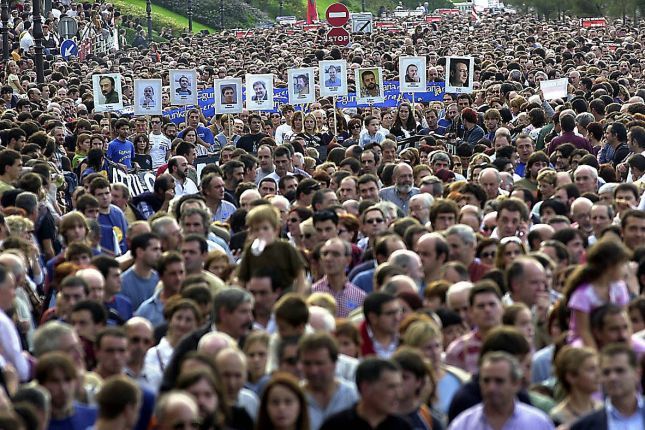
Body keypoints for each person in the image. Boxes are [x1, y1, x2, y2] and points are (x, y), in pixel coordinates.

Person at [448, 351, 554, 430]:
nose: (491, 388)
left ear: (516, 384)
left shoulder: (538, 424)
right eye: (486, 381)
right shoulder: (463, 425)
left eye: (499, 381)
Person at [564, 238, 631, 347]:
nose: (625, 270)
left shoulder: (620, 287)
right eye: (622, 265)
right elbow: (584, 331)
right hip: (584, 341)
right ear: (609, 267)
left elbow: (625, 320)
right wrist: (598, 358)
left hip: (614, 337)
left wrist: (628, 348)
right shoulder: (583, 295)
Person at [319, 357, 412, 430]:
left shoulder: (403, 426)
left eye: (399, 386)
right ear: (366, 388)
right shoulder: (336, 426)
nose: (398, 394)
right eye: (391, 387)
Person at [570, 344, 645, 430]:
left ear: (637, 374)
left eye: (620, 371)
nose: (612, 377)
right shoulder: (584, 426)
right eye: (606, 372)